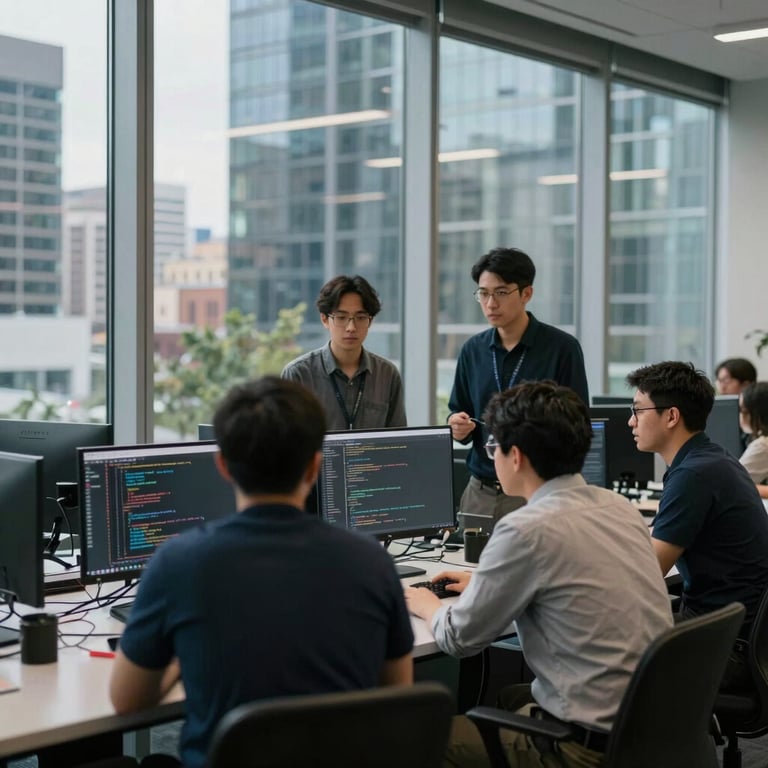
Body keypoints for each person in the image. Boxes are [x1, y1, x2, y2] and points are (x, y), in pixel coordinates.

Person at [110, 377, 414, 768]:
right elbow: (396, 695)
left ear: (222, 465)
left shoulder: (178, 563)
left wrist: (183, 656)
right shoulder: (372, 562)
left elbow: (128, 701)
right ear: (315, 465)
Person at [407, 381, 672, 768]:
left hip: (585, 748)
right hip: (653, 727)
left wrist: (426, 603)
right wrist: (485, 586)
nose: (492, 456)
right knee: (509, 697)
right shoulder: (618, 508)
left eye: (493, 447)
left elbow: (458, 638)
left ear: (515, 456)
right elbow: (571, 583)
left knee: (414, 741)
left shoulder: (525, 529)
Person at [626, 361, 768, 685]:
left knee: (602, 636)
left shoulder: (693, 474)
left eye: (638, 410)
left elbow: (648, 571)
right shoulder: (711, 459)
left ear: (671, 416)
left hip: (727, 645)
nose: (631, 421)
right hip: (738, 631)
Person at [448, 247, 589, 525]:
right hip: (481, 492)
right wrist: (456, 426)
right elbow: (458, 411)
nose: (490, 304)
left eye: (501, 292)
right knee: (464, 555)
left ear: (526, 293)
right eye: (483, 293)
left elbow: (578, 425)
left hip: (536, 492)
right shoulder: (473, 350)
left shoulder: (561, 349)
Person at [281, 274, 406, 430]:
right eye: (341, 317)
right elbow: (287, 439)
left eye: (360, 317)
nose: (351, 328)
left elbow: (398, 438)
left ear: (370, 321)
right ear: (324, 319)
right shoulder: (299, 374)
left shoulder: (387, 374)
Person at [739, 381, 768, 499]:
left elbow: (732, 482)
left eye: (743, 410)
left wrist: (752, 488)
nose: (741, 415)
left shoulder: (763, 445)